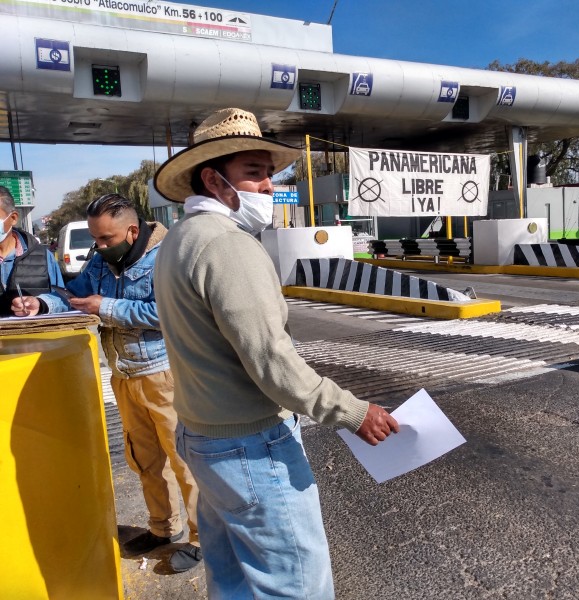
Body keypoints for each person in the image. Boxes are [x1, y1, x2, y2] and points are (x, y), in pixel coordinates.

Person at [152, 107, 399, 599]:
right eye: (253, 172)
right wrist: (352, 411)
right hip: (250, 446)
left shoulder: (178, 239)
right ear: (212, 178)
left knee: (234, 580)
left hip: (202, 437)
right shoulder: (226, 246)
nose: (267, 186)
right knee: (296, 586)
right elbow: (271, 360)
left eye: (269, 173)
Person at [11, 194, 203, 573]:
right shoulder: (101, 261)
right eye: (96, 240)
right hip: (125, 376)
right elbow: (74, 293)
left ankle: (202, 539)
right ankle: (162, 528)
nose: (98, 248)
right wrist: (42, 304)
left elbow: (170, 313)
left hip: (164, 376)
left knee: (185, 462)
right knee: (144, 461)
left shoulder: (165, 259)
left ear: (133, 231)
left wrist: (107, 307)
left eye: (105, 239)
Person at [0, 185, 64, 316]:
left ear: (13, 218)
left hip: (36, 336)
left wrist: (40, 304)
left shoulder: (43, 256)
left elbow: (63, 300)